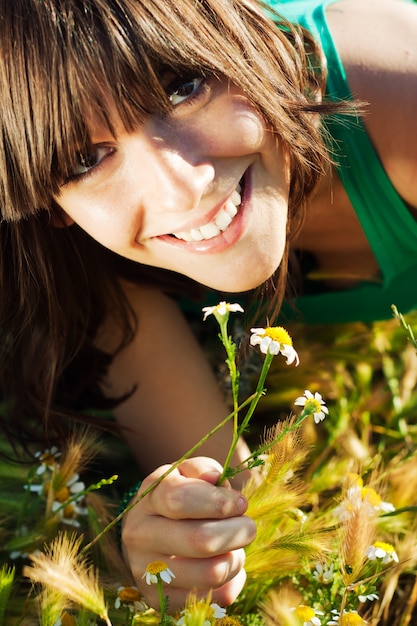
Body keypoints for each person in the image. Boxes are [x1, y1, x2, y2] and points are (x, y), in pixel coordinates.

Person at [0, 0, 416, 611]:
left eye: (182, 88)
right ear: (50, 201)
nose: (182, 187)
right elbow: (239, 513)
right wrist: (179, 548)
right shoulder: (97, 274)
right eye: (86, 159)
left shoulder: (399, 94)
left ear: (243, 29)